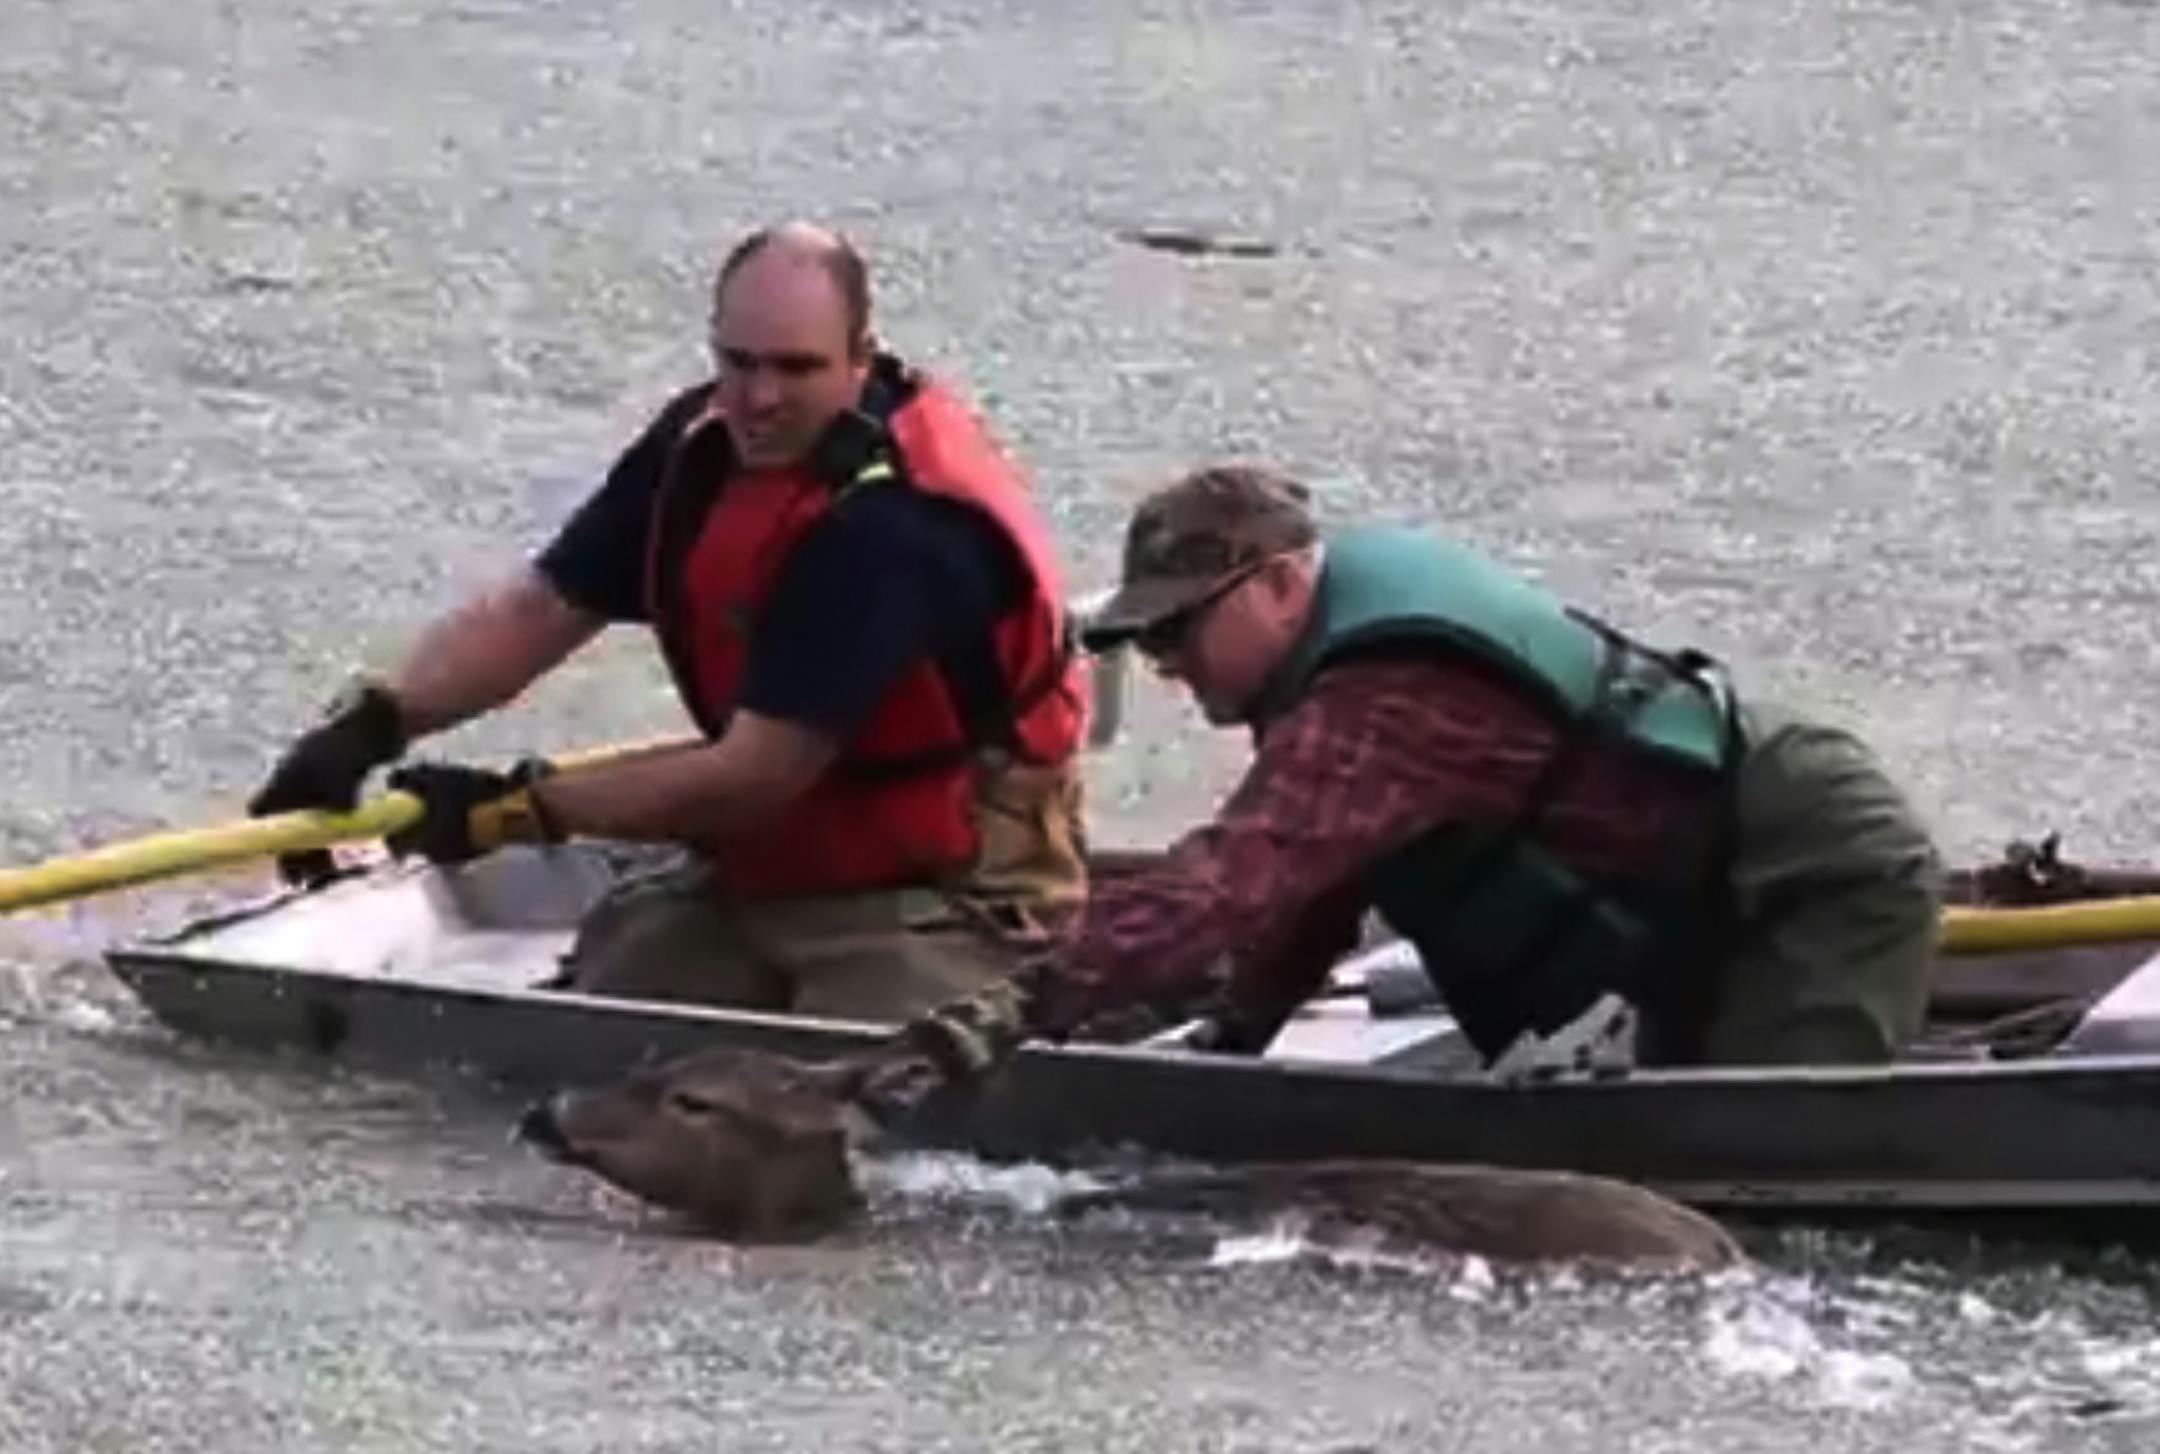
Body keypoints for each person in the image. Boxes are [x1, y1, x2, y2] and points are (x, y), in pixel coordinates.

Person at [864, 463, 1943, 1104]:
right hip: (1697, 874)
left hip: (1807, 865)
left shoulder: (1380, 701)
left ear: (1282, 583)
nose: (1167, 663)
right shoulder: (1333, 687)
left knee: (1750, 1165)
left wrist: (1011, 1007)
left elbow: (1231, 881)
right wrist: (1237, 1032)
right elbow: (1314, 885)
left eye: (1182, 628)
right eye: (1148, 641)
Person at [248, 222, 1089, 1023]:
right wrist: (375, 724)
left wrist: (511, 814)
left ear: (861, 359)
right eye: (738, 362)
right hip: (772, 863)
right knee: (602, 1018)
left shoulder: (895, 526)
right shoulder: (701, 444)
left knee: (829, 1102)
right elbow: (544, 607)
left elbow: (753, 776)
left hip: (941, 891)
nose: (759, 399)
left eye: (795, 370)